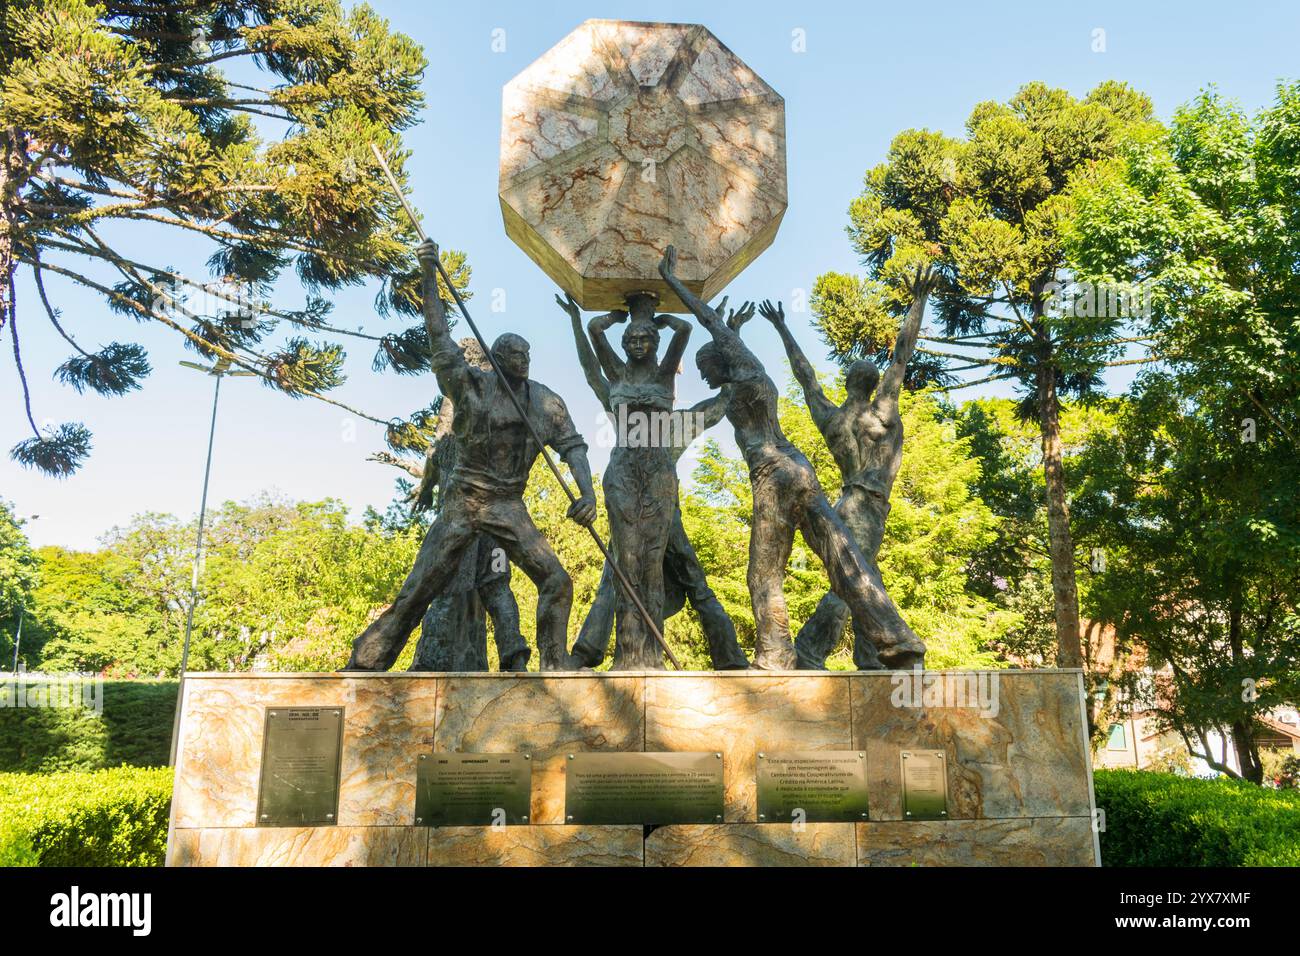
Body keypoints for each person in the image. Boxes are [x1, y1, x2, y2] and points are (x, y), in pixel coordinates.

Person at [658, 244, 926, 670]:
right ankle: (897, 640)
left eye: (706, 366)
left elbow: (711, 324)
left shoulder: (736, 384)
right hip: (802, 470)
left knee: (763, 576)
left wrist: (673, 283)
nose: (704, 375)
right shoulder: (754, 380)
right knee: (845, 560)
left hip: (772, 477)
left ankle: (776, 656)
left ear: (722, 360)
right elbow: (787, 369)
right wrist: (743, 332)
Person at [345, 239, 597, 671]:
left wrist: (587, 493)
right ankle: (367, 661)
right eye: (515, 355)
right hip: (464, 500)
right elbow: (438, 336)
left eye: (528, 354)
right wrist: (429, 274)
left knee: (556, 579)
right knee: (421, 588)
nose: (524, 360)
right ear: (497, 359)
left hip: (508, 504)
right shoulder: (471, 387)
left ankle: (554, 667)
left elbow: (573, 447)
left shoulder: (545, 402)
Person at [559, 292, 749, 670]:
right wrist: (583, 322)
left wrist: (729, 335)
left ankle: (720, 657)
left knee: (667, 575)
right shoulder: (615, 385)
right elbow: (589, 364)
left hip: (662, 497)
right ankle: (607, 654)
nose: (638, 343)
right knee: (624, 569)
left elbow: (721, 393)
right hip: (624, 484)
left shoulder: (676, 421)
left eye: (646, 338)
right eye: (631, 339)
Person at [765, 269, 933, 669]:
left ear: (846, 382)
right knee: (852, 582)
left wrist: (783, 330)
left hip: (841, 503)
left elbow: (805, 378)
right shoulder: (882, 413)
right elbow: (901, 354)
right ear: (875, 383)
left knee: (865, 576)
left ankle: (871, 656)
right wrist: (918, 303)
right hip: (867, 505)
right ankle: (808, 650)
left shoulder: (832, 417)